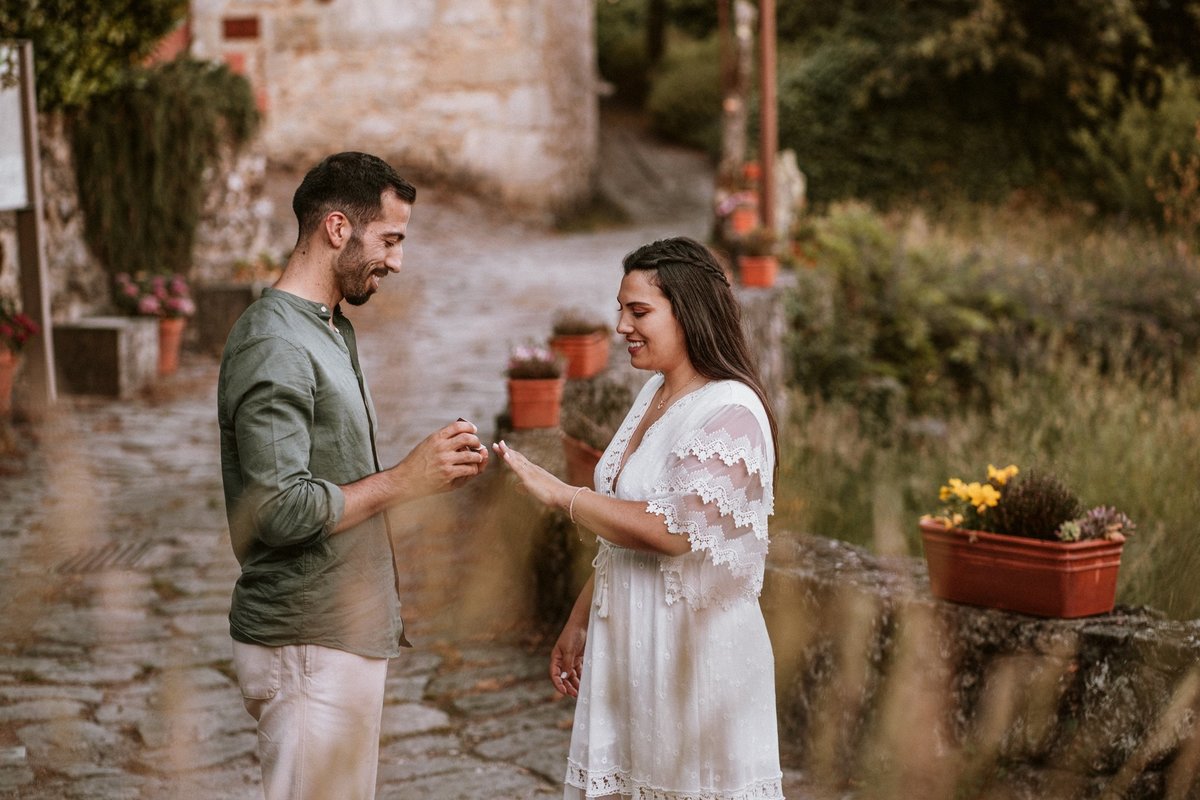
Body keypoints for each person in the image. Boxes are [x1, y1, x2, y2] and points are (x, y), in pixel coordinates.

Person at [217, 151, 489, 800]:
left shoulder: (330, 328)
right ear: (337, 228)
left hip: (341, 637)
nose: (396, 261)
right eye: (389, 240)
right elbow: (279, 508)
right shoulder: (276, 342)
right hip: (307, 643)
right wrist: (406, 479)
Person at [494, 236, 784, 799]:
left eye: (639, 311)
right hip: (629, 644)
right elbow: (623, 534)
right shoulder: (654, 391)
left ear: (691, 313)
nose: (622, 325)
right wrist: (581, 617)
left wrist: (562, 495)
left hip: (694, 664)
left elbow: (675, 532)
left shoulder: (732, 410)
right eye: (620, 309)